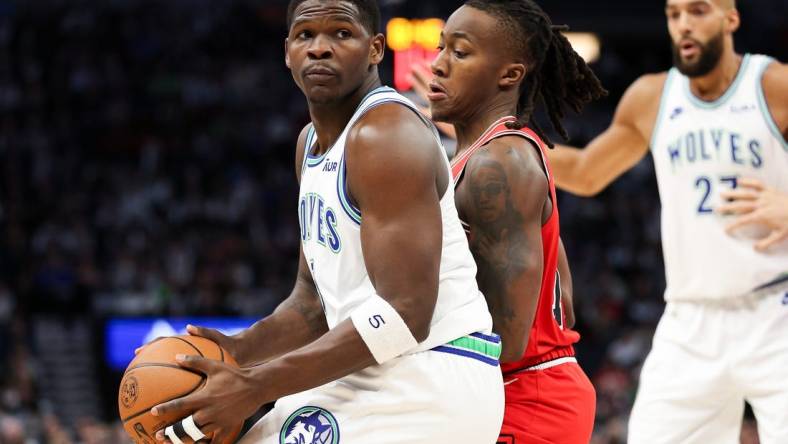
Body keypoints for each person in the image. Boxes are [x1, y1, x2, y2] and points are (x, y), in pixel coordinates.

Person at [147, 1, 504, 443]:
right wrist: (236, 352)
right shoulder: (310, 144)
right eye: (305, 36)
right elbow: (312, 306)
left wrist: (255, 384)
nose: (320, 48)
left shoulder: (385, 133)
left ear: (375, 49)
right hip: (368, 368)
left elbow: (404, 316)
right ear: (287, 52)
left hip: (431, 373)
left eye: (340, 33)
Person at [520, 0, 788, 442]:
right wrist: (500, 134)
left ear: (731, 18)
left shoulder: (772, 85)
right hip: (690, 320)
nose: (684, 24)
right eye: (674, 13)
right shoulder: (653, 97)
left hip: (775, 312)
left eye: (698, 11)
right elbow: (587, 172)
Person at [422, 1, 606, 442]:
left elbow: (509, 337)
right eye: (441, 47)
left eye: (460, 53)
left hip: (524, 397)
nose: (438, 64)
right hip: (511, 391)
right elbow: (561, 287)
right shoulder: (485, 156)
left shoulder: (499, 163)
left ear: (509, 75)